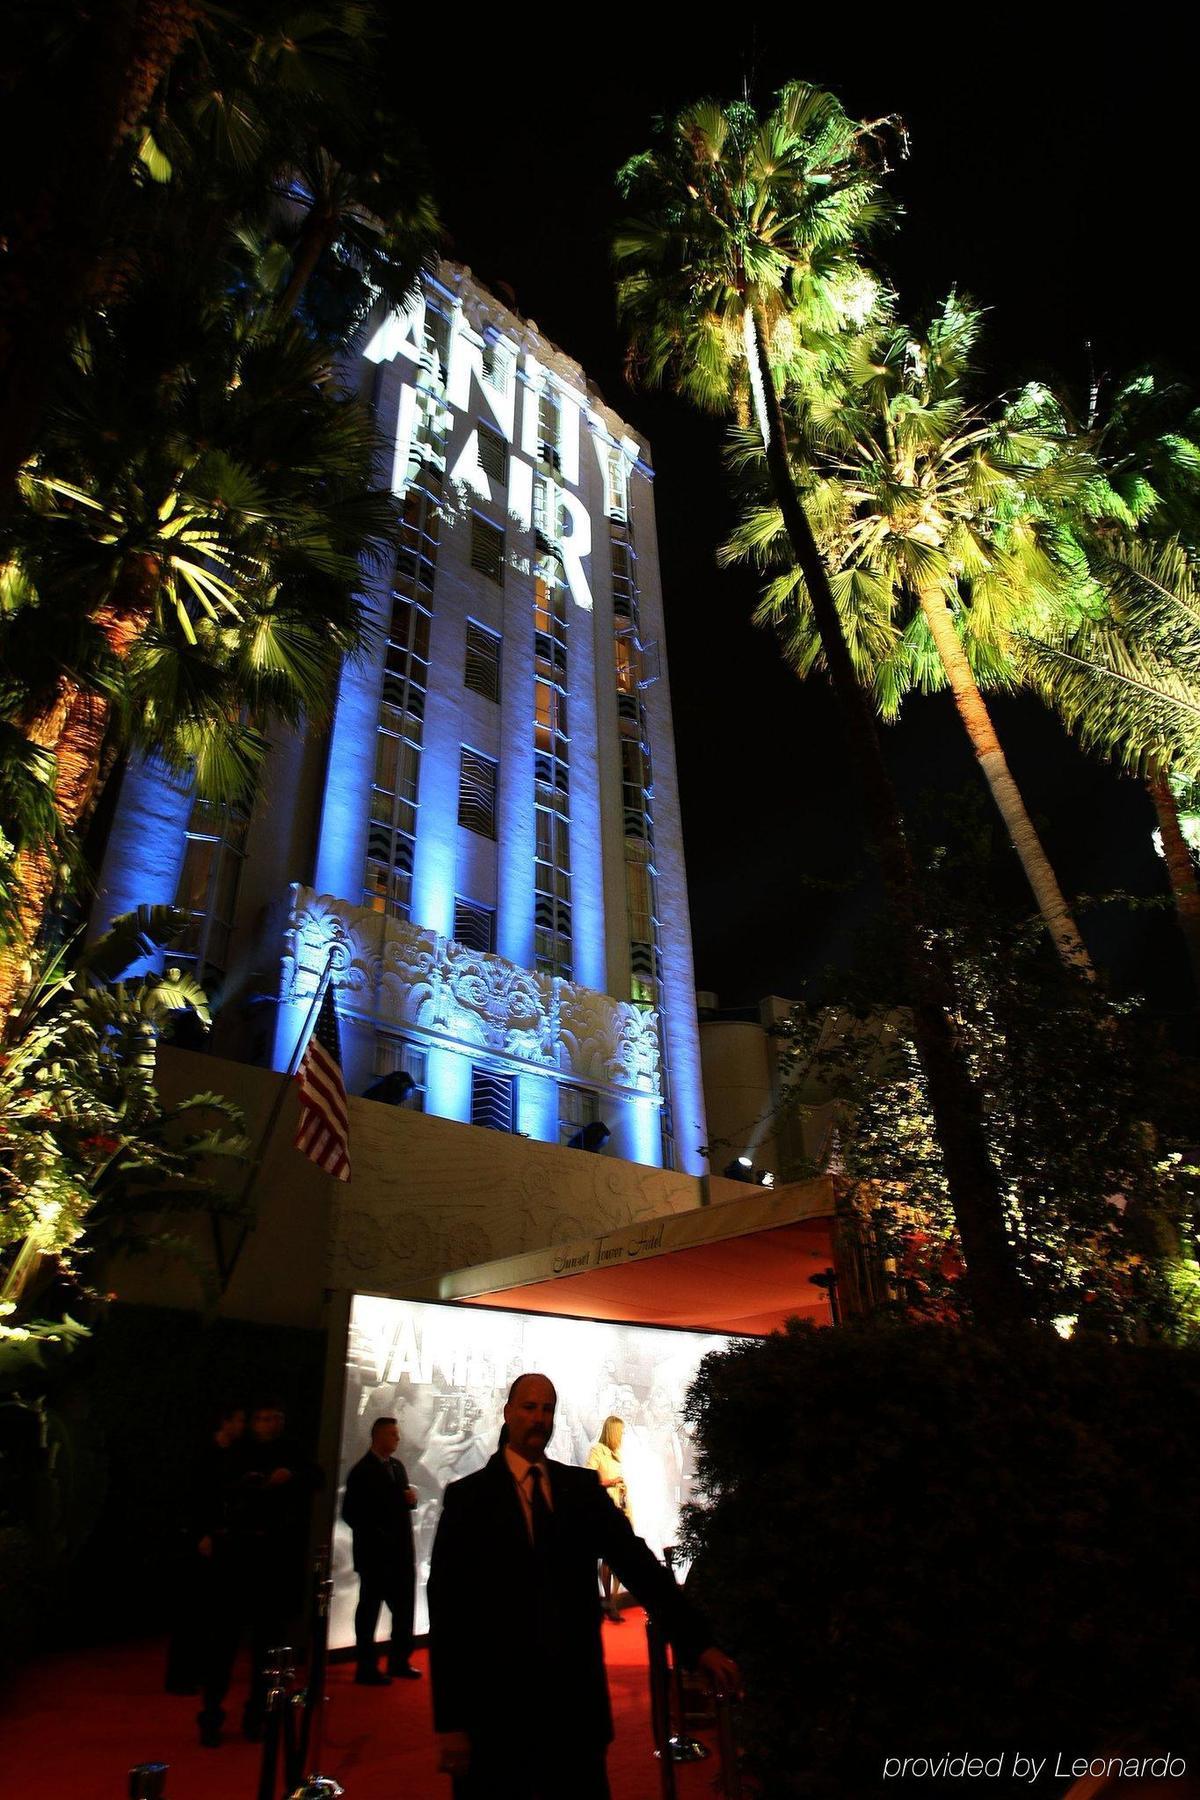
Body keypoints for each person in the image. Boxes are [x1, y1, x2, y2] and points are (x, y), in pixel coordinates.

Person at [428, 1372, 740, 1800]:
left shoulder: (580, 1490)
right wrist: (451, 1721)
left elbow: (639, 1567)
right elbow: (449, 1614)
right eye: (529, 1407)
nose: (539, 1417)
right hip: (497, 1715)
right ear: (508, 1413)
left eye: (547, 1408)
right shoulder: (468, 1499)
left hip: (574, 1712)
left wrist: (697, 1642)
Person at [198, 1397, 320, 1745]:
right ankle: (211, 1716)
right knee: (223, 1644)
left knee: (267, 1647)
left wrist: (290, 1476)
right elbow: (211, 1490)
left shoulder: (293, 1454)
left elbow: (315, 1476)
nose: (266, 1424)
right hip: (236, 1557)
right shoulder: (234, 1453)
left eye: (272, 1418)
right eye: (261, 1418)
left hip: (272, 1559)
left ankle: (258, 1716)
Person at [165, 1401, 245, 1695]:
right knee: (194, 1610)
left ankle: (193, 1672)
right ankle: (183, 1675)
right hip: (202, 1542)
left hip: (214, 1539)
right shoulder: (207, 1457)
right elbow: (191, 1498)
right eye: (238, 1419)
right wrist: (200, 1533)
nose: (242, 1426)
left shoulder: (226, 1456)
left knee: (204, 1611)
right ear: (225, 1422)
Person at [341, 1416, 420, 1684]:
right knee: (369, 1610)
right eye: (392, 1434)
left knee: (403, 1610)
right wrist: (378, 1529)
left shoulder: (397, 1467)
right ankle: (366, 1666)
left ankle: (399, 1660)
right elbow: (351, 1513)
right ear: (378, 1436)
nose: (397, 1438)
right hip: (375, 1556)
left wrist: (411, 1500)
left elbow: (401, 1502)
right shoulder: (361, 1471)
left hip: (399, 1553)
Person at [586, 1415, 631, 1623]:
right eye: (620, 1432)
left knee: (620, 1555)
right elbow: (588, 1477)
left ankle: (612, 1598)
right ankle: (609, 1599)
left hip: (621, 1507)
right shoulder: (598, 1451)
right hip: (605, 1509)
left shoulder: (619, 1454)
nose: (622, 1436)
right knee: (607, 1556)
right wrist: (611, 1481)